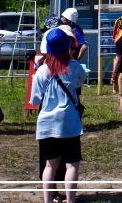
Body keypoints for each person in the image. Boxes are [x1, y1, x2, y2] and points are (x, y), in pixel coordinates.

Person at [31, 28, 86, 203]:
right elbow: (80, 81)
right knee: (72, 165)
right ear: (68, 47)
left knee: (50, 165)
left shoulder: (41, 71)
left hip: (47, 123)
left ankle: (47, 200)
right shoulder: (75, 67)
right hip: (69, 122)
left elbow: (35, 99)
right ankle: (70, 200)